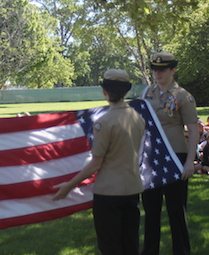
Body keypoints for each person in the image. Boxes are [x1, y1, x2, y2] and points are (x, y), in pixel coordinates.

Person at [53, 69, 145, 255]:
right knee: (130, 245)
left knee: (110, 247)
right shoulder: (138, 118)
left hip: (109, 193)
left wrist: (69, 186)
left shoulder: (104, 122)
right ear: (125, 92)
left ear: (105, 92)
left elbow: (96, 163)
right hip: (132, 190)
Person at [141, 53, 199, 255]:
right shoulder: (147, 93)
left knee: (176, 210)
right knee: (151, 210)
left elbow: (193, 131)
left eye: (162, 69)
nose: (158, 73)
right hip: (152, 158)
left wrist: (190, 161)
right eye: (155, 69)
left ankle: (181, 251)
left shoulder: (183, 96)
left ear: (173, 70)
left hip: (176, 157)